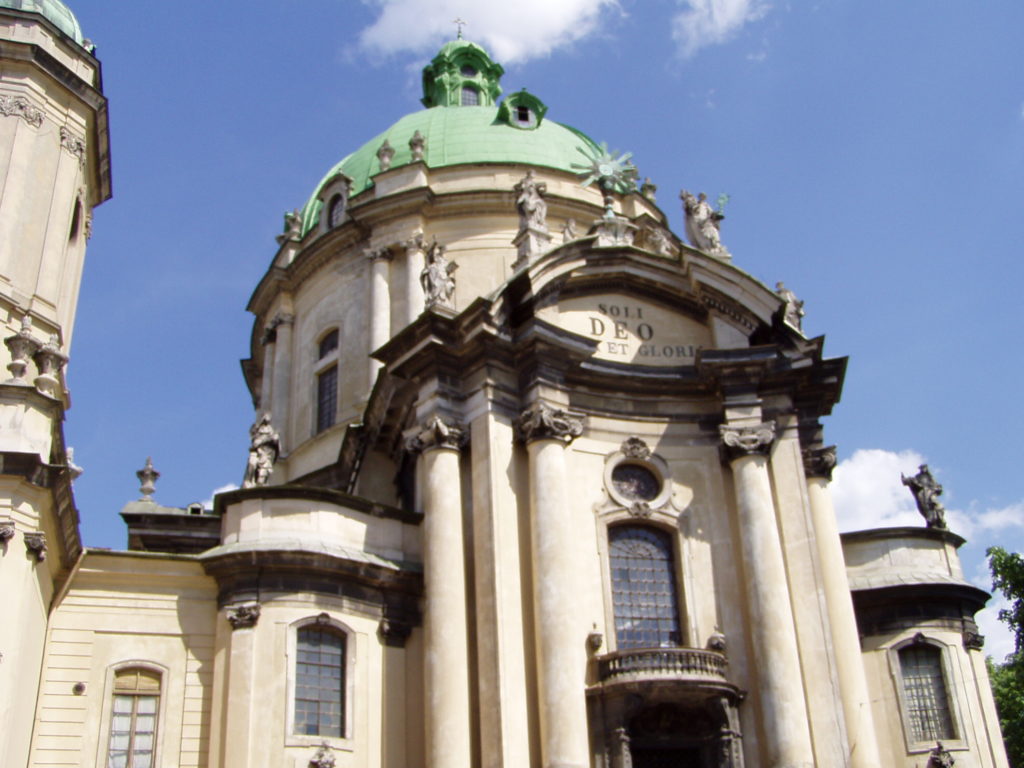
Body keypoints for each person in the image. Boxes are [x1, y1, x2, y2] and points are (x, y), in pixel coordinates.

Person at [901, 464, 948, 529]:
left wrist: (936, 488)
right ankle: (932, 522)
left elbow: (936, 487)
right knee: (925, 507)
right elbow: (912, 481)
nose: (923, 469)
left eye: (924, 468)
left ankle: (937, 521)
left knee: (935, 506)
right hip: (922, 494)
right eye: (922, 468)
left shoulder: (930, 477)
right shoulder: (918, 477)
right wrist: (906, 480)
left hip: (930, 493)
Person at [243, 413, 280, 488]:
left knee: (263, 473)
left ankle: (261, 483)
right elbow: (254, 441)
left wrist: (273, 439)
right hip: (259, 452)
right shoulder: (258, 430)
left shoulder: (271, 431)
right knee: (252, 466)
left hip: (267, 453)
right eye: (265, 417)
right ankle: (252, 483)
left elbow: (275, 442)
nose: (267, 419)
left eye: (268, 417)